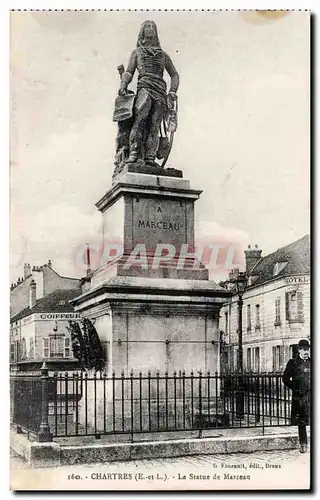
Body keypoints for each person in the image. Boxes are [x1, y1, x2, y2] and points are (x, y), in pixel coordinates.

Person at [118, 20, 179, 165]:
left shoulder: (163, 55)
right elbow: (129, 71)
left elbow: (174, 75)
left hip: (160, 90)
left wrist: (172, 91)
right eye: (147, 27)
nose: (151, 29)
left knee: (155, 125)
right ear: (143, 32)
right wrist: (123, 84)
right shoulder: (137, 53)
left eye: (153, 27)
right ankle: (134, 152)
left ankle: (150, 157)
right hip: (144, 87)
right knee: (140, 120)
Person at [282, 339, 310, 453]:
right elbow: (285, 379)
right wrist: (295, 388)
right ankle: (303, 443)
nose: (306, 352)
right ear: (299, 350)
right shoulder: (292, 363)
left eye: (307, 349)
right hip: (300, 397)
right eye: (303, 349)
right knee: (302, 421)